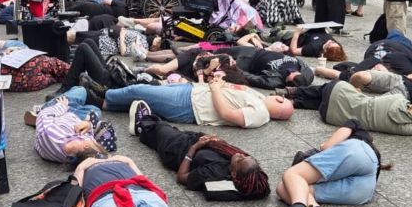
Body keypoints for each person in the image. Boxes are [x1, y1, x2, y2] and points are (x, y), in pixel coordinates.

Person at [264, 119, 384, 207]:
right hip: (365, 191)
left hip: (358, 151)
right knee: (284, 188)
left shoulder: (355, 124)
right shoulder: (373, 160)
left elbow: (326, 146)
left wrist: (322, 147)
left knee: (292, 173)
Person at [134, 111, 270, 200]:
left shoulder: (213, 172)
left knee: (159, 127)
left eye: (241, 160)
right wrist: (214, 141)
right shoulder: (244, 171)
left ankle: (142, 124)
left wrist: (193, 149)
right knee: (163, 131)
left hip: (176, 151)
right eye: (246, 156)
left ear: (234, 174)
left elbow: (181, 177)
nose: (240, 154)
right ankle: (146, 129)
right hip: (192, 140)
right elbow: (262, 190)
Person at [98, 75, 294, 129]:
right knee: (142, 95)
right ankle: (103, 103)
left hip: (189, 106)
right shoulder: (260, 99)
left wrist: (215, 89)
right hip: (193, 91)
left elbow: (227, 114)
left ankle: (105, 94)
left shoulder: (260, 113)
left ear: (279, 100)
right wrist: (219, 82)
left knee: (139, 90)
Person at [287, 80, 412, 136]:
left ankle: (293, 91)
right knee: (330, 104)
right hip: (329, 116)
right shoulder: (403, 129)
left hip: (337, 93)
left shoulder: (399, 99)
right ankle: (295, 103)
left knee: (331, 88)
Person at [34, 91, 109, 163]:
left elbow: (43, 115)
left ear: (86, 145)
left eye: (95, 142)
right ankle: (74, 103)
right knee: (96, 111)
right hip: (73, 118)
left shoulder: (50, 133)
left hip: (56, 113)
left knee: (81, 91)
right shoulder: (76, 155)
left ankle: (44, 106)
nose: (94, 140)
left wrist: (61, 106)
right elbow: (92, 133)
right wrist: (89, 125)